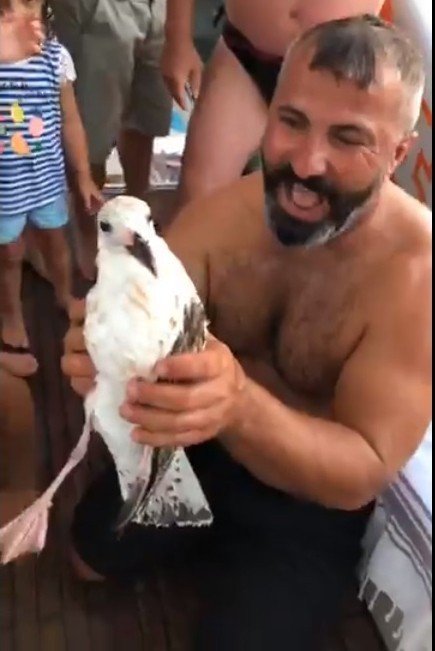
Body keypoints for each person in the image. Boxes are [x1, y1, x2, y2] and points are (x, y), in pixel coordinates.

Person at [62, 16, 432, 651]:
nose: (307, 163)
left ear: (399, 153)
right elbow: (144, 334)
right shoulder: (223, 216)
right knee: (85, 556)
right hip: (197, 449)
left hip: (307, 500)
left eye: (349, 138)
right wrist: (101, 354)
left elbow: (362, 470)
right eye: (292, 121)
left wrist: (237, 403)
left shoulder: (417, 277)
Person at [162, 0, 385, 211]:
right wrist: (177, 40)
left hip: (340, 72)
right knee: (198, 196)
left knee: (335, 207)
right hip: (244, 55)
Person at [0, 1, 102, 378]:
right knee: (9, 254)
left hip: (45, 179)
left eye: (32, 7)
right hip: (5, 186)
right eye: (8, 11)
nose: (24, 18)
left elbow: (70, 121)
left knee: (57, 242)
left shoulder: (55, 58)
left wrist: (83, 176)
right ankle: (11, 315)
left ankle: (64, 294)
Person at [52, 0, 173, 280]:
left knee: (145, 116)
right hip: (99, 8)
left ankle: (134, 212)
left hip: (160, 8)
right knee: (91, 127)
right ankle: (88, 232)